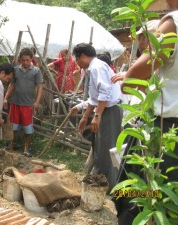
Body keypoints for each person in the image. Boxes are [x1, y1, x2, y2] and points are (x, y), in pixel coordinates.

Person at [112, 1, 178, 223]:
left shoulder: (172, 23)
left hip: (163, 130)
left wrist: (135, 78)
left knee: (135, 196)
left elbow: (130, 82)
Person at [71, 43, 123, 190]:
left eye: (77, 59)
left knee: (108, 149)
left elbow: (104, 93)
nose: (77, 63)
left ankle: (108, 186)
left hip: (110, 111)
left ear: (82, 55)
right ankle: (99, 181)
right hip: (105, 110)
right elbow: (94, 98)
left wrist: (97, 116)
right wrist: (85, 116)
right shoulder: (93, 68)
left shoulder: (97, 67)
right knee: (100, 147)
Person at [3, 48, 43, 157]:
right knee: (13, 126)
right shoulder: (16, 70)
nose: (25, 62)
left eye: (27, 60)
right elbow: (12, 85)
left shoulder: (36, 71)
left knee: (28, 128)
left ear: (32, 59)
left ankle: (26, 148)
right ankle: (10, 145)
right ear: (20, 60)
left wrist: (37, 102)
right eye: (23, 60)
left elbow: (40, 87)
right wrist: (6, 97)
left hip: (28, 105)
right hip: (15, 103)